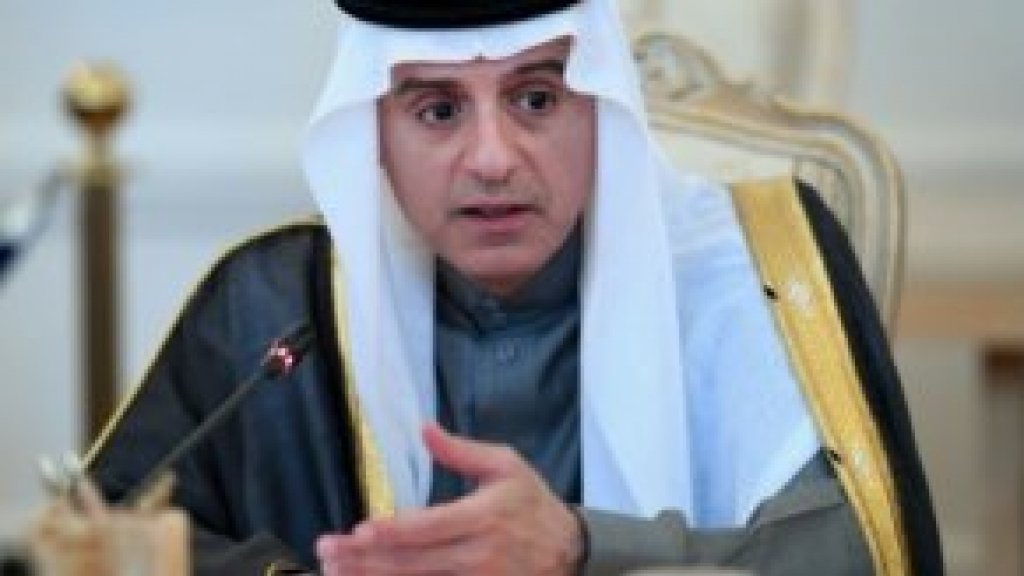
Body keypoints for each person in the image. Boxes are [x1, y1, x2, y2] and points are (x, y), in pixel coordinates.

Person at [86, 1, 944, 574]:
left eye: (536, 99)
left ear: (600, 106)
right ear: (374, 132)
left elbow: (864, 553)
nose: (493, 159)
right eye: (438, 110)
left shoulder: (755, 269)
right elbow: (103, 539)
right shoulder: (275, 310)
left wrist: (583, 547)